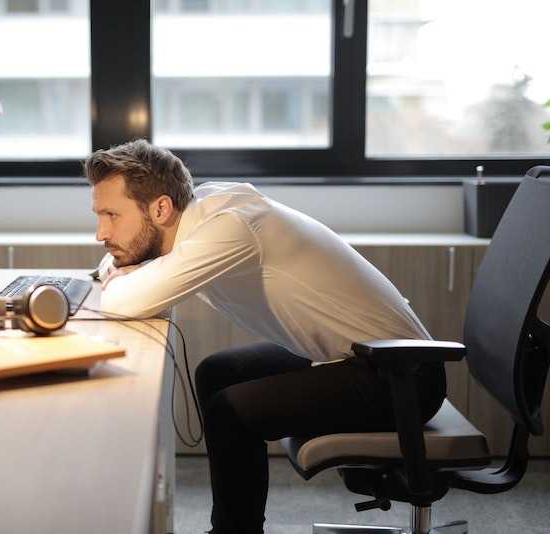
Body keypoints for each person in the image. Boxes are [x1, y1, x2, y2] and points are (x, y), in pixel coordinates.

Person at [86, 139, 446, 534]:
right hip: (353, 357)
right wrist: (120, 271)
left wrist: (120, 276)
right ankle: (234, 526)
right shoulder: (204, 210)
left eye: (111, 215)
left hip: (400, 375)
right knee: (216, 373)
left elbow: (123, 300)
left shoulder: (228, 228)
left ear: (160, 208)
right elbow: (116, 271)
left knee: (230, 411)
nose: (101, 233)